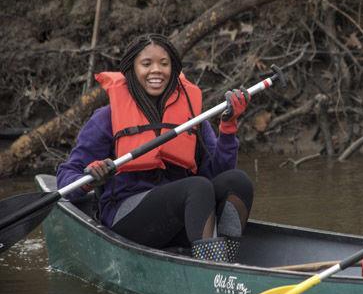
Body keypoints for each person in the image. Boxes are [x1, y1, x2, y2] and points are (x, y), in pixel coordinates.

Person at [57, 33, 253, 263]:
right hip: (128, 218)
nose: (156, 71)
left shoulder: (191, 118)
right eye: (146, 64)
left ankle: (225, 264)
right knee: (197, 187)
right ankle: (213, 268)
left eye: (164, 63)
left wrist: (228, 130)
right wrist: (91, 176)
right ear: (132, 69)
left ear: (174, 69)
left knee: (237, 180)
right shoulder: (106, 118)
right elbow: (65, 180)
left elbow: (217, 174)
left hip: (181, 215)